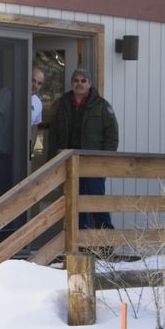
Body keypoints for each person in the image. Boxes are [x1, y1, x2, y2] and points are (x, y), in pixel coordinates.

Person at [48, 68, 119, 231]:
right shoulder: (62, 104)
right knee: (75, 204)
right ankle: (81, 245)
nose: (79, 84)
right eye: (76, 80)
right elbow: (53, 136)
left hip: (93, 164)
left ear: (90, 84)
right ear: (72, 83)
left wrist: (105, 161)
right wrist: (52, 161)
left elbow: (112, 136)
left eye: (83, 80)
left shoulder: (102, 106)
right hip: (68, 163)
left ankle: (106, 246)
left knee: (97, 203)